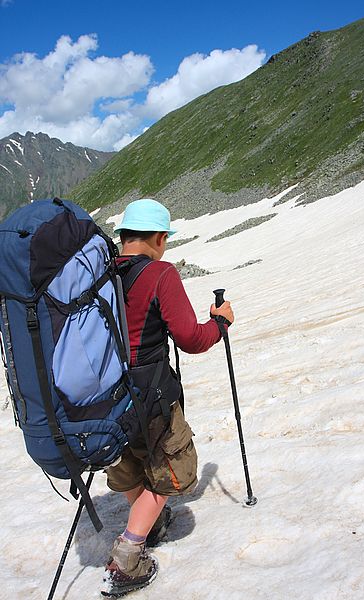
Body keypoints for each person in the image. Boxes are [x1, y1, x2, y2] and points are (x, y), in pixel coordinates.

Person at [102, 198, 234, 597]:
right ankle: (128, 557)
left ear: (123, 236)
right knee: (171, 468)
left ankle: (149, 522)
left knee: (126, 462)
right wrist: (220, 323)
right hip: (150, 397)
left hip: (103, 396)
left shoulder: (100, 276)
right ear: (160, 238)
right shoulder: (160, 272)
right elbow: (190, 339)